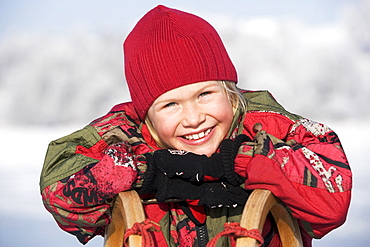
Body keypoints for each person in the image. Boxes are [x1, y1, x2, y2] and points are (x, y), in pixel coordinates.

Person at [40, 5, 352, 247]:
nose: (193, 118)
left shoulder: (267, 127)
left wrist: (237, 160)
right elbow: (59, 193)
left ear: (229, 91)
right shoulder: (125, 135)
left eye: (205, 95)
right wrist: (142, 169)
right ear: (146, 112)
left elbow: (333, 198)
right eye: (170, 104)